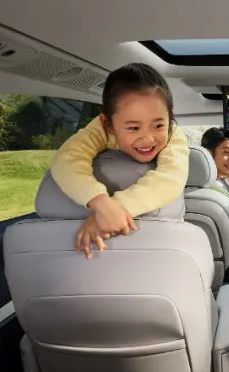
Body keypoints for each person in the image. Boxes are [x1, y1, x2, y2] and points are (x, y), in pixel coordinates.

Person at [50, 62, 189, 258]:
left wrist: (118, 207)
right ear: (108, 124)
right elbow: (66, 159)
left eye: (158, 125)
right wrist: (100, 203)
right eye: (133, 128)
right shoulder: (99, 129)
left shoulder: (173, 134)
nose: (148, 138)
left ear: (170, 118)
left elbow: (171, 178)